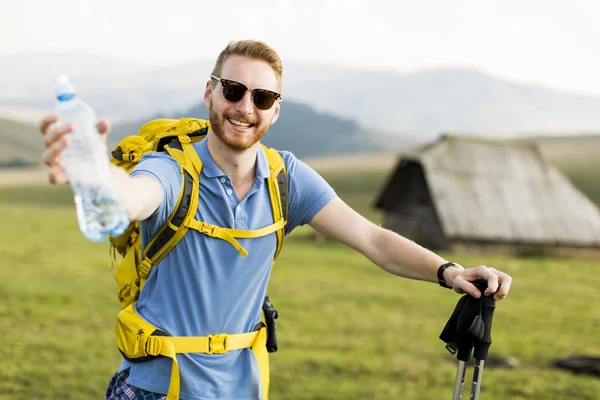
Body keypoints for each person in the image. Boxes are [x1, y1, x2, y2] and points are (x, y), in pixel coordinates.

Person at [39, 40, 512, 400]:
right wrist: (96, 174)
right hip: (156, 390)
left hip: (244, 390)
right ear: (210, 92)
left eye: (262, 97)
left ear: (276, 109)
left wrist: (451, 273)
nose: (245, 107)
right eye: (233, 90)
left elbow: (373, 238)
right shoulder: (171, 169)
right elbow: (134, 196)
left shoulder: (286, 179)